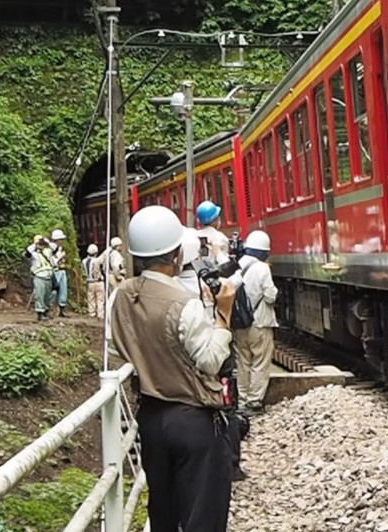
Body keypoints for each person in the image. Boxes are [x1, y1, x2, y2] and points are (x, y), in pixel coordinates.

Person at [110, 205, 235, 531]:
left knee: (163, 512)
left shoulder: (122, 296)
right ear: (177, 254)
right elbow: (209, 360)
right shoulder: (184, 303)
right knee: (202, 515)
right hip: (191, 418)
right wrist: (223, 315)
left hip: (150, 418)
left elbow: (115, 346)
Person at [177, 229, 249, 483]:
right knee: (227, 407)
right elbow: (234, 284)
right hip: (215, 354)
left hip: (182, 363)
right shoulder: (209, 282)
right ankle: (231, 465)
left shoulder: (171, 288)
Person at [233, 230, 278, 414]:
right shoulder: (262, 268)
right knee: (260, 362)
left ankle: (242, 400)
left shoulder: (235, 265)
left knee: (243, 362)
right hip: (259, 323)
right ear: (262, 252)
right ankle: (254, 401)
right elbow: (270, 296)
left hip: (238, 324)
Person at [25, 235, 56, 321]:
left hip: (49, 276)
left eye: (42, 244)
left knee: (48, 295)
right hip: (39, 277)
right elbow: (27, 252)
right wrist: (35, 244)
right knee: (40, 295)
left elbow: (55, 248)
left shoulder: (47, 251)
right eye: (40, 243)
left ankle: (46, 311)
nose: (41, 245)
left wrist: (47, 242)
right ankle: (40, 313)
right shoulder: (33, 253)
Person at [82, 243, 105, 319]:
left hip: (89, 282)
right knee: (100, 299)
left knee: (91, 298)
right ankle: (100, 314)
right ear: (96, 252)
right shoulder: (97, 261)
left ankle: (92, 313)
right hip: (98, 282)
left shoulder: (84, 261)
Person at [49, 229, 69, 317]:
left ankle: (62, 308)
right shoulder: (51, 248)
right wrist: (60, 256)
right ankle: (50, 308)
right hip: (55, 270)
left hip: (62, 270)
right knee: (54, 290)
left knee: (63, 290)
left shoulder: (60, 248)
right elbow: (51, 260)